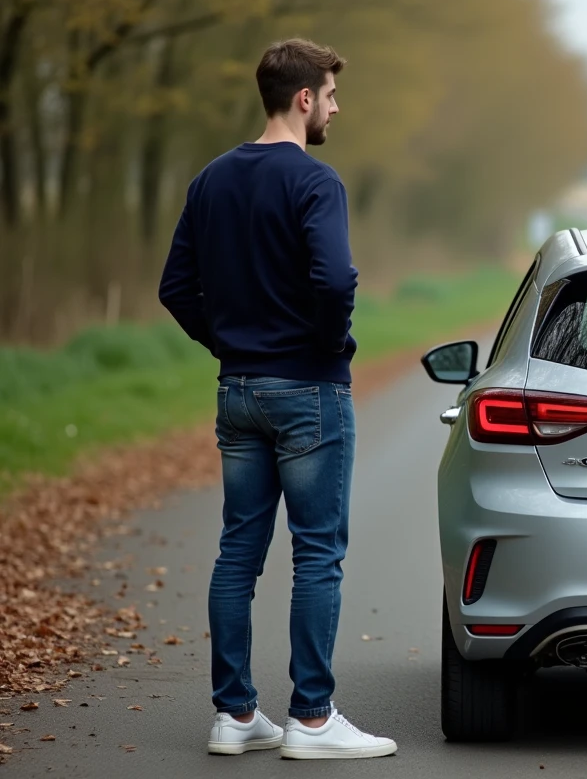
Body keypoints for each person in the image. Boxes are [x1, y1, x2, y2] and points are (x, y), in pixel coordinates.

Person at [158, 38, 396, 760]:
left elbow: (174, 289)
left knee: (239, 551)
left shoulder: (210, 180)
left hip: (238, 390)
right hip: (309, 390)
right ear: (303, 98)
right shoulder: (315, 182)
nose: (334, 107)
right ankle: (313, 720)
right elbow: (334, 280)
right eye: (329, 94)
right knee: (317, 553)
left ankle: (234, 716)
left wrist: (229, 344)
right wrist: (326, 347)